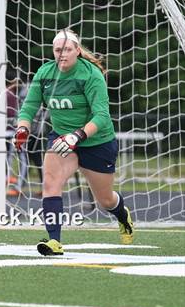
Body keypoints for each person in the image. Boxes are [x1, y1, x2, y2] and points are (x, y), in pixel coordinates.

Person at [14, 28, 134, 256]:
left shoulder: (91, 74)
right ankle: (54, 242)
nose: (62, 54)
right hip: (61, 139)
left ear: (77, 51)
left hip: (96, 141)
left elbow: (101, 115)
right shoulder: (45, 73)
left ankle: (122, 215)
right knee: (50, 183)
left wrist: (77, 135)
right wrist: (22, 128)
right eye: (58, 50)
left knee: (105, 200)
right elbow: (28, 108)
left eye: (67, 49)